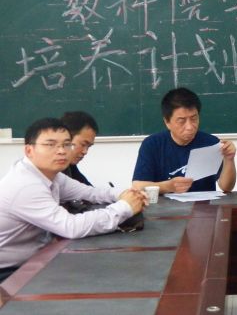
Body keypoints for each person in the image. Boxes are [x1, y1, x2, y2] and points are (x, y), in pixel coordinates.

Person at [0, 118, 146, 283]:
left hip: (36, 259)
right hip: (8, 272)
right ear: (29, 150)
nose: (61, 151)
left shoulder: (50, 175)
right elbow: (71, 227)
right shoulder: (26, 186)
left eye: (66, 144)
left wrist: (126, 194)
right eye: (50, 145)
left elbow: (91, 192)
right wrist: (125, 207)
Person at [132, 87, 236, 194]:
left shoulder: (210, 143)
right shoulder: (152, 145)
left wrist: (229, 159)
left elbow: (226, 187)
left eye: (194, 119)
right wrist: (167, 186)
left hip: (203, 204)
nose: (190, 127)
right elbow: (137, 186)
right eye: (182, 121)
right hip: (165, 204)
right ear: (167, 122)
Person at [60, 111, 98, 186]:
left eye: (88, 147)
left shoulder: (70, 167)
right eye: (83, 144)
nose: (85, 152)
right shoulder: (48, 171)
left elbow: (87, 189)